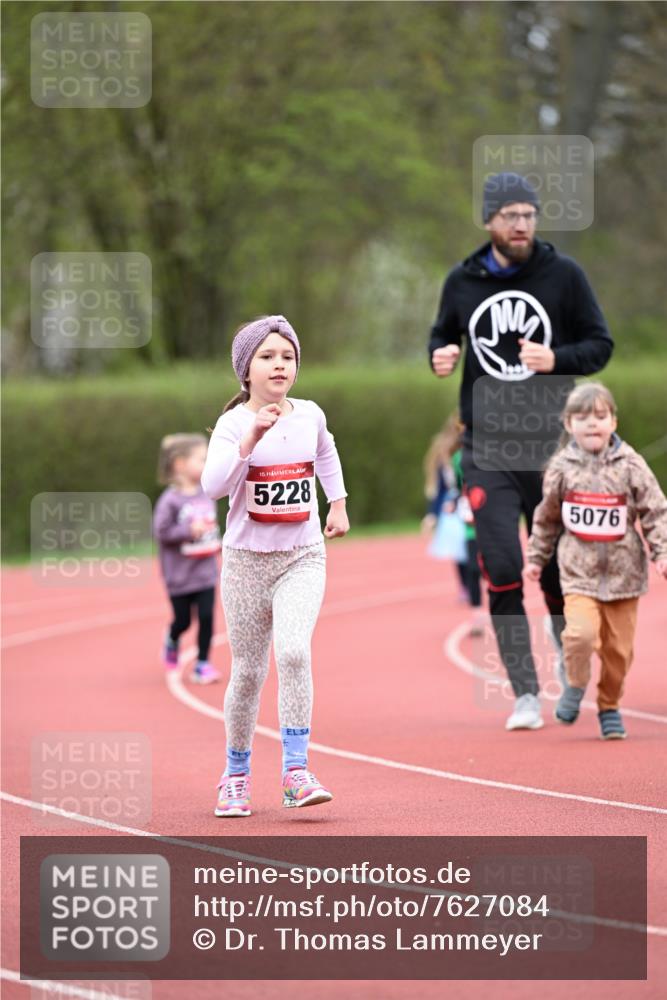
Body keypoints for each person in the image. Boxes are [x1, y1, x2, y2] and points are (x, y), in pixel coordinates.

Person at [428, 171, 614, 731]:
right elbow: (443, 334)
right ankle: (525, 692)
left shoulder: (563, 276)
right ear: (489, 222)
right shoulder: (462, 281)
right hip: (486, 447)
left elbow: (600, 345)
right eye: (509, 216)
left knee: (556, 566)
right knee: (502, 567)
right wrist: (439, 354)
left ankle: (566, 655)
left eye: (528, 215)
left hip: (552, 449)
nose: (520, 225)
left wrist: (556, 359)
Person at [201, 314, 349, 817]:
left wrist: (339, 502)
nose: (279, 365)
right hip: (245, 563)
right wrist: (250, 442)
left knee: (292, 653)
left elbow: (326, 454)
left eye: (287, 356)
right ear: (246, 370)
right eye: (267, 357)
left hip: (302, 557)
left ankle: (295, 771)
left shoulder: (310, 414)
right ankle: (236, 776)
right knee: (247, 671)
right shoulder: (232, 423)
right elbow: (213, 487)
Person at [525, 383, 667, 739]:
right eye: (583, 417)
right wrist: (536, 557)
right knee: (580, 634)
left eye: (600, 416)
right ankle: (575, 682)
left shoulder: (632, 464)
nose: (592, 424)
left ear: (613, 422)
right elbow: (546, 518)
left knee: (619, 653)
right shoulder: (561, 467)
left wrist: (662, 552)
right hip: (578, 574)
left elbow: (655, 512)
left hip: (624, 577)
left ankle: (609, 706)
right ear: (568, 424)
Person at [154, 433, 222, 685]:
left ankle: (202, 664)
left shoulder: (207, 493)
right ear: (180, 464)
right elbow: (161, 532)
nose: (206, 464)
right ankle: (172, 638)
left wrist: (219, 542)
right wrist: (187, 531)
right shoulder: (169, 501)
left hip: (205, 572)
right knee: (183, 620)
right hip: (179, 576)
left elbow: (211, 525)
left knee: (206, 617)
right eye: (201, 460)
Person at [422, 413, 484, 636]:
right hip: (461, 512)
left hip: (486, 513)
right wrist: (435, 512)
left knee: (493, 565)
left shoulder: (492, 450)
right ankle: (474, 605)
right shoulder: (451, 457)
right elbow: (447, 487)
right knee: (464, 555)